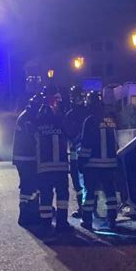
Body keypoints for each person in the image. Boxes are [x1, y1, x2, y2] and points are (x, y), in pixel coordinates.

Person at [78, 91, 119, 230]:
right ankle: (112, 219)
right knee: (110, 192)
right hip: (110, 164)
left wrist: (81, 161)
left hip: (92, 164)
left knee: (89, 193)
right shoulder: (110, 120)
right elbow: (115, 142)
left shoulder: (89, 121)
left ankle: (87, 220)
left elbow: (86, 144)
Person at [35, 103, 72, 233]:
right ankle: (62, 223)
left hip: (44, 168)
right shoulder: (61, 125)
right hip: (61, 168)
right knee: (62, 197)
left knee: (45, 197)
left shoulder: (38, 127)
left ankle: (46, 224)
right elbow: (71, 137)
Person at [12, 95, 42, 226]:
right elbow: (35, 136)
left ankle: (32, 211)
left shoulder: (27, 115)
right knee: (27, 186)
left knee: (32, 186)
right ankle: (25, 214)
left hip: (26, 158)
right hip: (26, 158)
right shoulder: (27, 118)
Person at [64, 86, 88, 217]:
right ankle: (86, 208)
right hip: (87, 154)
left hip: (76, 155)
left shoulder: (70, 114)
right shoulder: (88, 112)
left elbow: (68, 134)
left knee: (79, 183)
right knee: (85, 182)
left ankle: (84, 208)